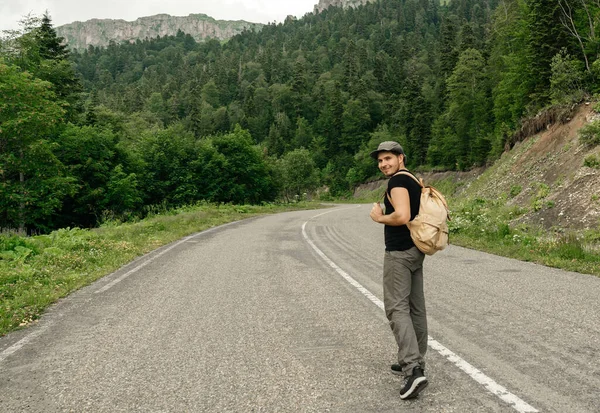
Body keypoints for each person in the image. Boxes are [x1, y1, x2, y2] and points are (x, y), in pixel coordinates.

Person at [369, 141, 428, 400]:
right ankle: (417, 361)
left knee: (396, 308)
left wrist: (379, 217)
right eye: (380, 161)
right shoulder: (413, 180)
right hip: (415, 251)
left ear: (400, 158)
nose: (384, 164)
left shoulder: (397, 182)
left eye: (388, 159)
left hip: (400, 253)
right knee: (415, 308)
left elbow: (402, 216)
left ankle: (412, 369)